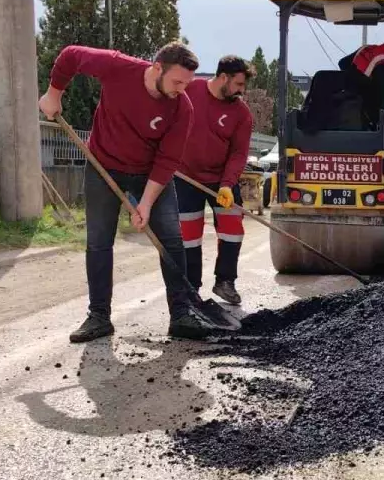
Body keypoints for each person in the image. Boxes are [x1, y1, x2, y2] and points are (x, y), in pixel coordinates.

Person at [38, 42, 211, 343]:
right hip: (103, 166)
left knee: (170, 238)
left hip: (149, 174)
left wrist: (144, 204)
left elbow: (168, 160)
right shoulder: (118, 67)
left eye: (187, 83)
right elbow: (71, 56)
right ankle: (99, 317)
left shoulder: (182, 107)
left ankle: (181, 314)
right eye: (177, 81)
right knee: (99, 242)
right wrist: (54, 94)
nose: (182, 89)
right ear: (157, 68)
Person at [176, 55, 255, 306]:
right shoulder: (189, 90)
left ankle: (225, 281)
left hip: (221, 181)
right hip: (184, 177)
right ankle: (191, 288)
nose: (242, 91)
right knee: (189, 235)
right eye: (239, 85)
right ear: (224, 77)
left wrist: (226, 184)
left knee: (233, 230)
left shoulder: (241, 113)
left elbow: (239, 152)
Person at [337, 31, 384, 128]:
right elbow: (383, 100)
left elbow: (342, 63)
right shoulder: (383, 64)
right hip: (361, 116)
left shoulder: (367, 48)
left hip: (343, 104)